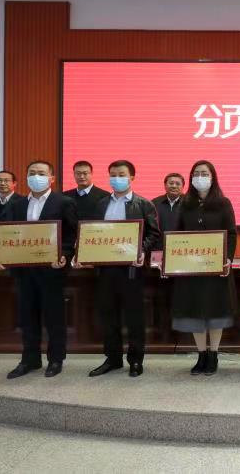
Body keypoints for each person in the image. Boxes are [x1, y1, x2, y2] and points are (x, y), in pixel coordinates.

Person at [0, 161, 77, 379]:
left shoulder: (64, 202)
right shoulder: (18, 204)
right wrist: (1, 258)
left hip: (52, 271)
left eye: (41, 173)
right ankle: (30, 359)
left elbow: (71, 235)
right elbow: (9, 235)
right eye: (32, 173)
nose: (36, 176)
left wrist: (64, 255)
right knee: (27, 317)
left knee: (54, 317)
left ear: (52, 178)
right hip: (24, 272)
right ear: (26, 177)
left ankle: (56, 359)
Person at [83, 160, 160, 378]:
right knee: (108, 315)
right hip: (105, 269)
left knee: (134, 316)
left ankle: (135, 360)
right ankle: (113, 358)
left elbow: (153, 234)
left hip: (131, 270)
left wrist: (141, 250)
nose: (116, 178)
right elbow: (91, 232)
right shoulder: (100, 204)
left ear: (131, 177)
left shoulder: (143, 204)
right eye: (113, 174)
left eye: (121, 174)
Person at [171, 161, 237, 376]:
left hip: (216, 270)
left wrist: (227, 258)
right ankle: (201, 355)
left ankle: (213, 354)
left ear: (212, 177)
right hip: (192, 270)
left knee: (215, 312)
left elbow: (232, 233)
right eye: (196, 173)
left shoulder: (223, 203)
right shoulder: (185, 204)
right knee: (195, 313)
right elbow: (177, 234)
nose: (200, 177)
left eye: (204, 173)